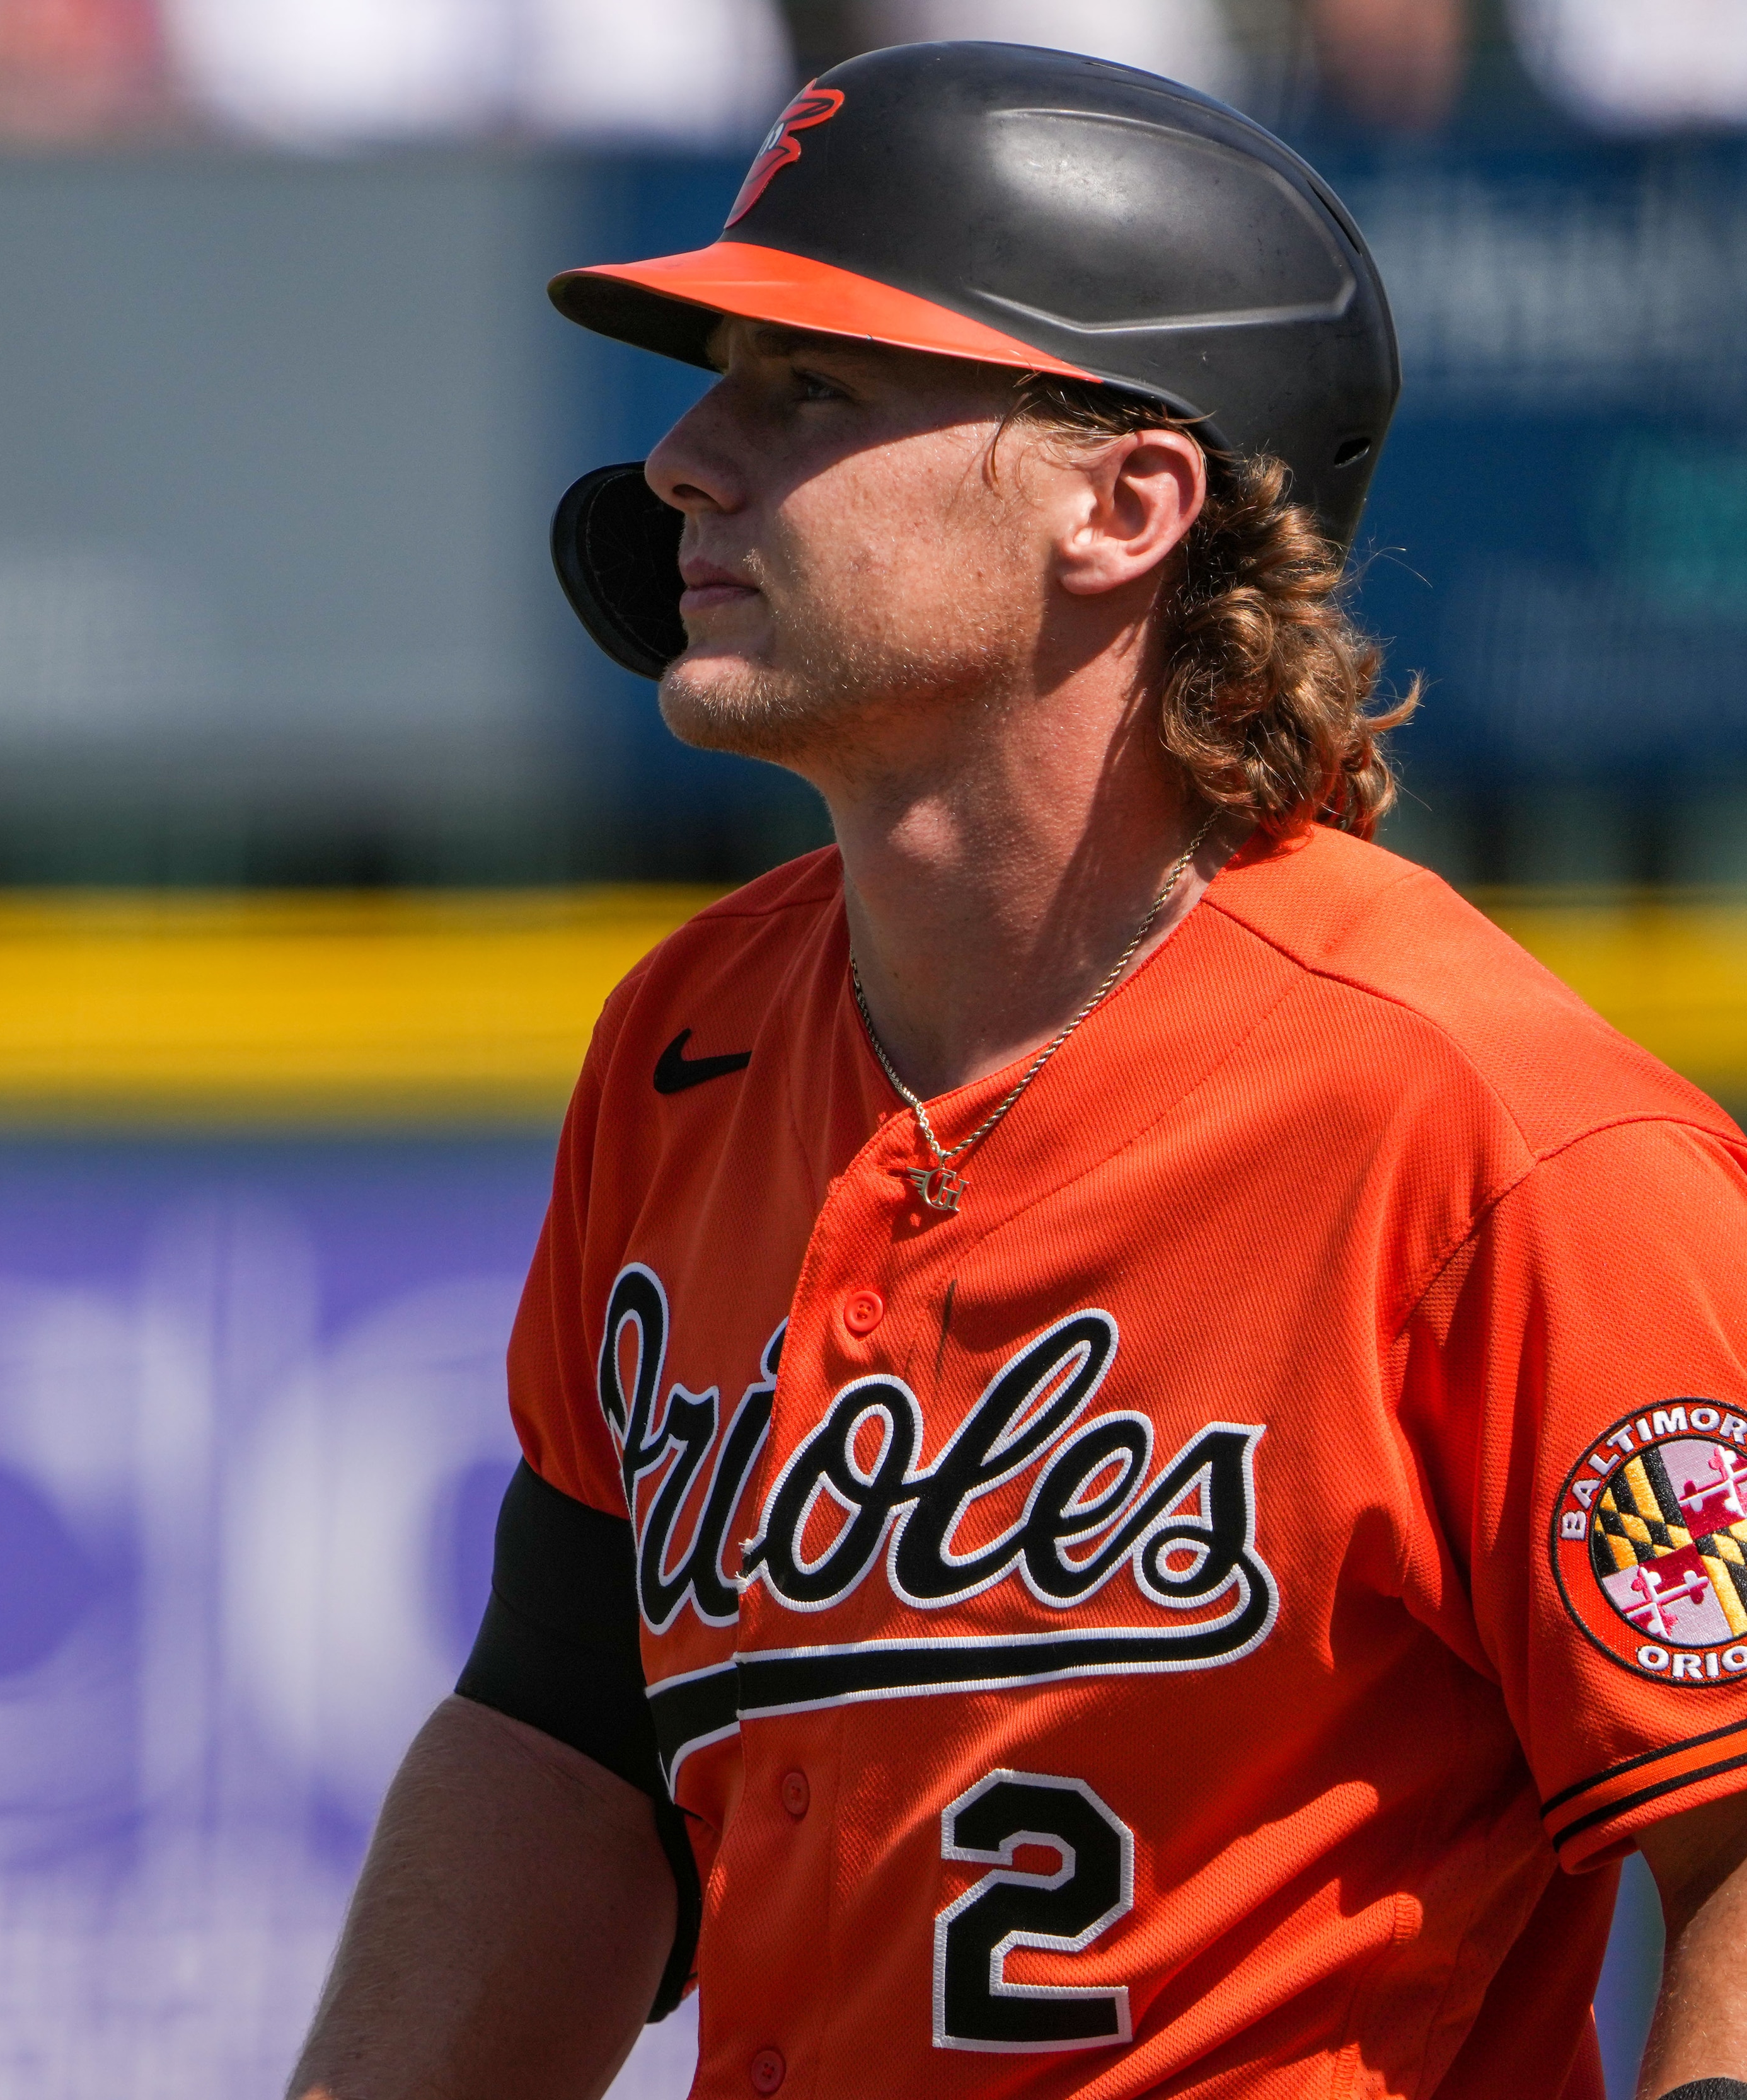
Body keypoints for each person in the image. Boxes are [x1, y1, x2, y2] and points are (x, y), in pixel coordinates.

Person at [289, 40, 1747, 2100]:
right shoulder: (687, 1039)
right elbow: (564, 1738)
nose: (685, 456)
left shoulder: (1491, 1128)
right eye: (721, 379)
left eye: (813, 389)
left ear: (1123, 504)